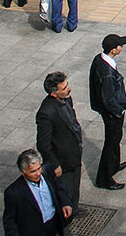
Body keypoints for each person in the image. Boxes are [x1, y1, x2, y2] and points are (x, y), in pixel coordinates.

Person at [36, 71, 84, 214]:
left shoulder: (67, 99)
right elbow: (43, 144)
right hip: (62, 161)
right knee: (64, 192)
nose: (68, 89)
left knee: (74, 186)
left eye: (67, 85)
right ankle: (64, 223)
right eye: (64, 88)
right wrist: (55, 164)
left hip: (73, 155)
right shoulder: (46, 113)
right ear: (54, 94)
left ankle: (74, 208)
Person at [89, 34, 126, 191]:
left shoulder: (99, 60)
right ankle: (105, 179)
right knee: (111, 141)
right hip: (112, 113)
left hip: (108, 110)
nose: (121, 47)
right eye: (120, 45)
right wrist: (118, 111)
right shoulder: (107, 71)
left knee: (116, 139)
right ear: (114, 50)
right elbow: (108, 98)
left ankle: (114, 164)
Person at [2, 148, 72, 236]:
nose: (38, 173)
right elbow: (9, 222)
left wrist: (65, 203)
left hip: (52, 225)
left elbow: (59, 188)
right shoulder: (13, 192)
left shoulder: (48, 171)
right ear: (22, 172)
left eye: (39, 168)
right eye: (33, 171)